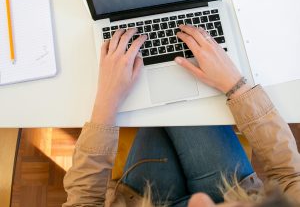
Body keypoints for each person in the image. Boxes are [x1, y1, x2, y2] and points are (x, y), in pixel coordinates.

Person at [62, 25, 300, 207]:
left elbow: (82, 202)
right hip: (235, 188)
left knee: (159, 113)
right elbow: (292, 175)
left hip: (139, 199)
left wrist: (107, 99)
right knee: (176, 107)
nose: (198, 200)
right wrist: (236, 86)